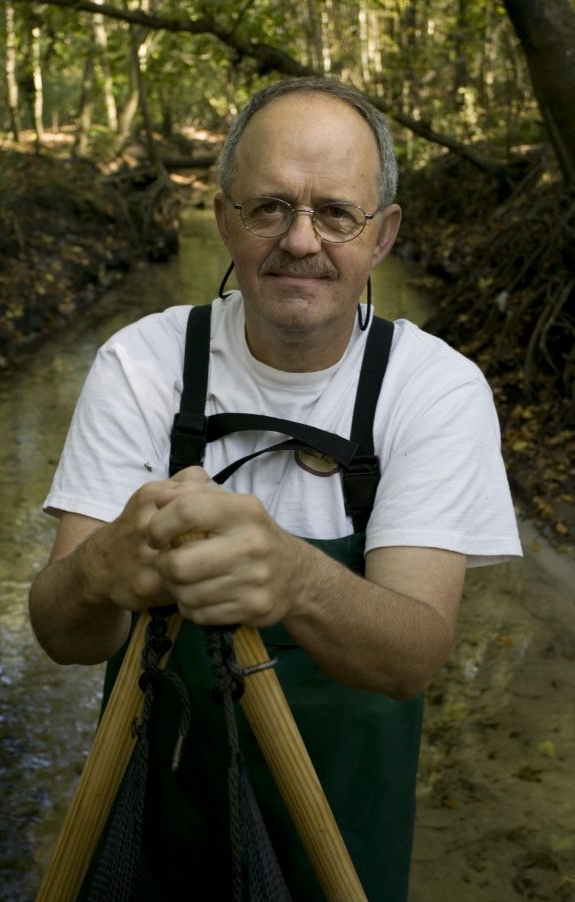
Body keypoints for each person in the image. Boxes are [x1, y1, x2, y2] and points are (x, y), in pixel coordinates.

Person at [29, 76, 522, 901]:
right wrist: (100, 569)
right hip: (160, 818)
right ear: (223, 219)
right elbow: (62, 634)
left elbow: (413, 658)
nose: (301, 241)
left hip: (343, 833)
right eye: (268, 209)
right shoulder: (139, 365)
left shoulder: (436, 387)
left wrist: (293, 575)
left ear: (383, 234)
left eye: (336, 212)